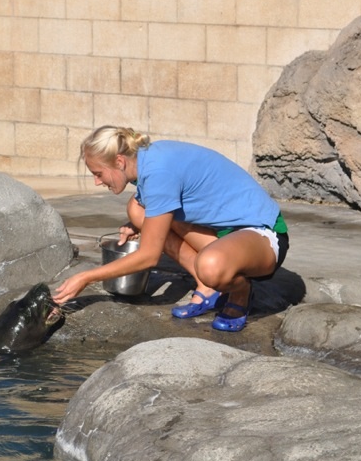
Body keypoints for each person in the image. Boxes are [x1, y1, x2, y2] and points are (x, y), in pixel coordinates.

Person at [53, 126, 289, 332]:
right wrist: (139, 225)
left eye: (98, 173)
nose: (97, 181)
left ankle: (240, 291)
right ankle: (208, 287)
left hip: (263, 235)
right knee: (137, 210)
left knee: (210, 266)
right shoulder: (148, 159)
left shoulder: (158, 172)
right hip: (225, 233)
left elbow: (149, 257)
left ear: (119, 162)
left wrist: (86, 277)